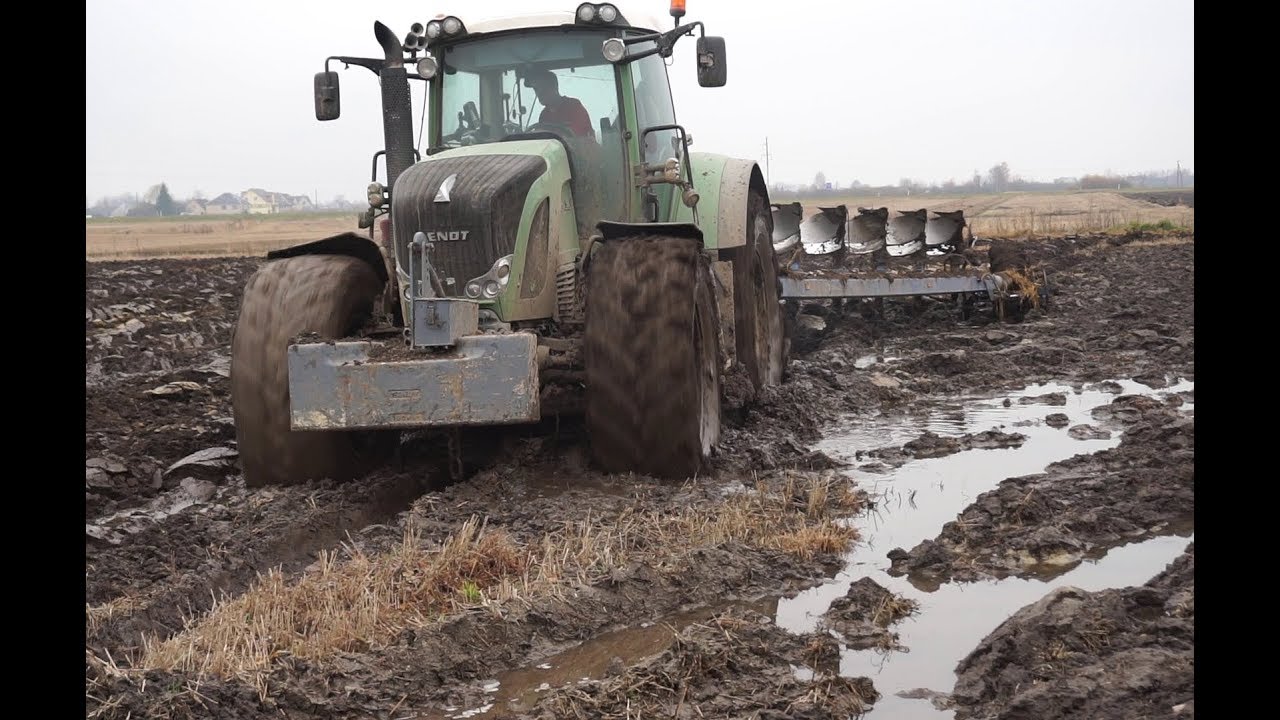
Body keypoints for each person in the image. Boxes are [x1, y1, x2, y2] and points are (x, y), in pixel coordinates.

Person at [522, 69, 596, 140]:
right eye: (536, 89)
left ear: (554, 87)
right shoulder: (544, 115)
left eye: (543, 88)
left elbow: (575, 137)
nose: (539, 93)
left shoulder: (574, 106)